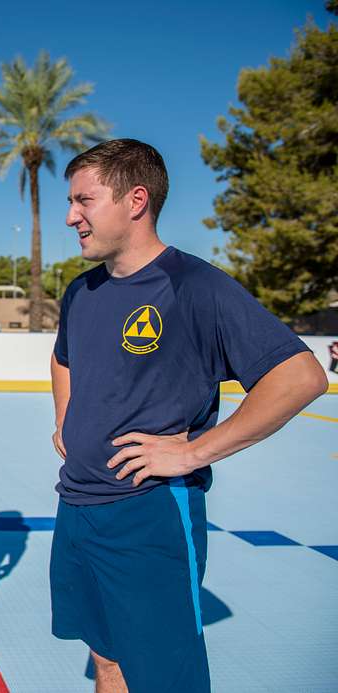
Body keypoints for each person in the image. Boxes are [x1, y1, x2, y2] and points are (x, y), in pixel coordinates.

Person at [50, 138, 328, 693]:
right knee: (106, 661)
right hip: (77, 505)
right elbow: (62, 357)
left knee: (164, 678)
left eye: (84, 200)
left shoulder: (194, 286)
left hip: (148, 515)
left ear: (135, 200)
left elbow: (301, 376)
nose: (70, 216)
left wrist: (195, 452)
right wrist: (66, 421)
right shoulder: (82, 292)